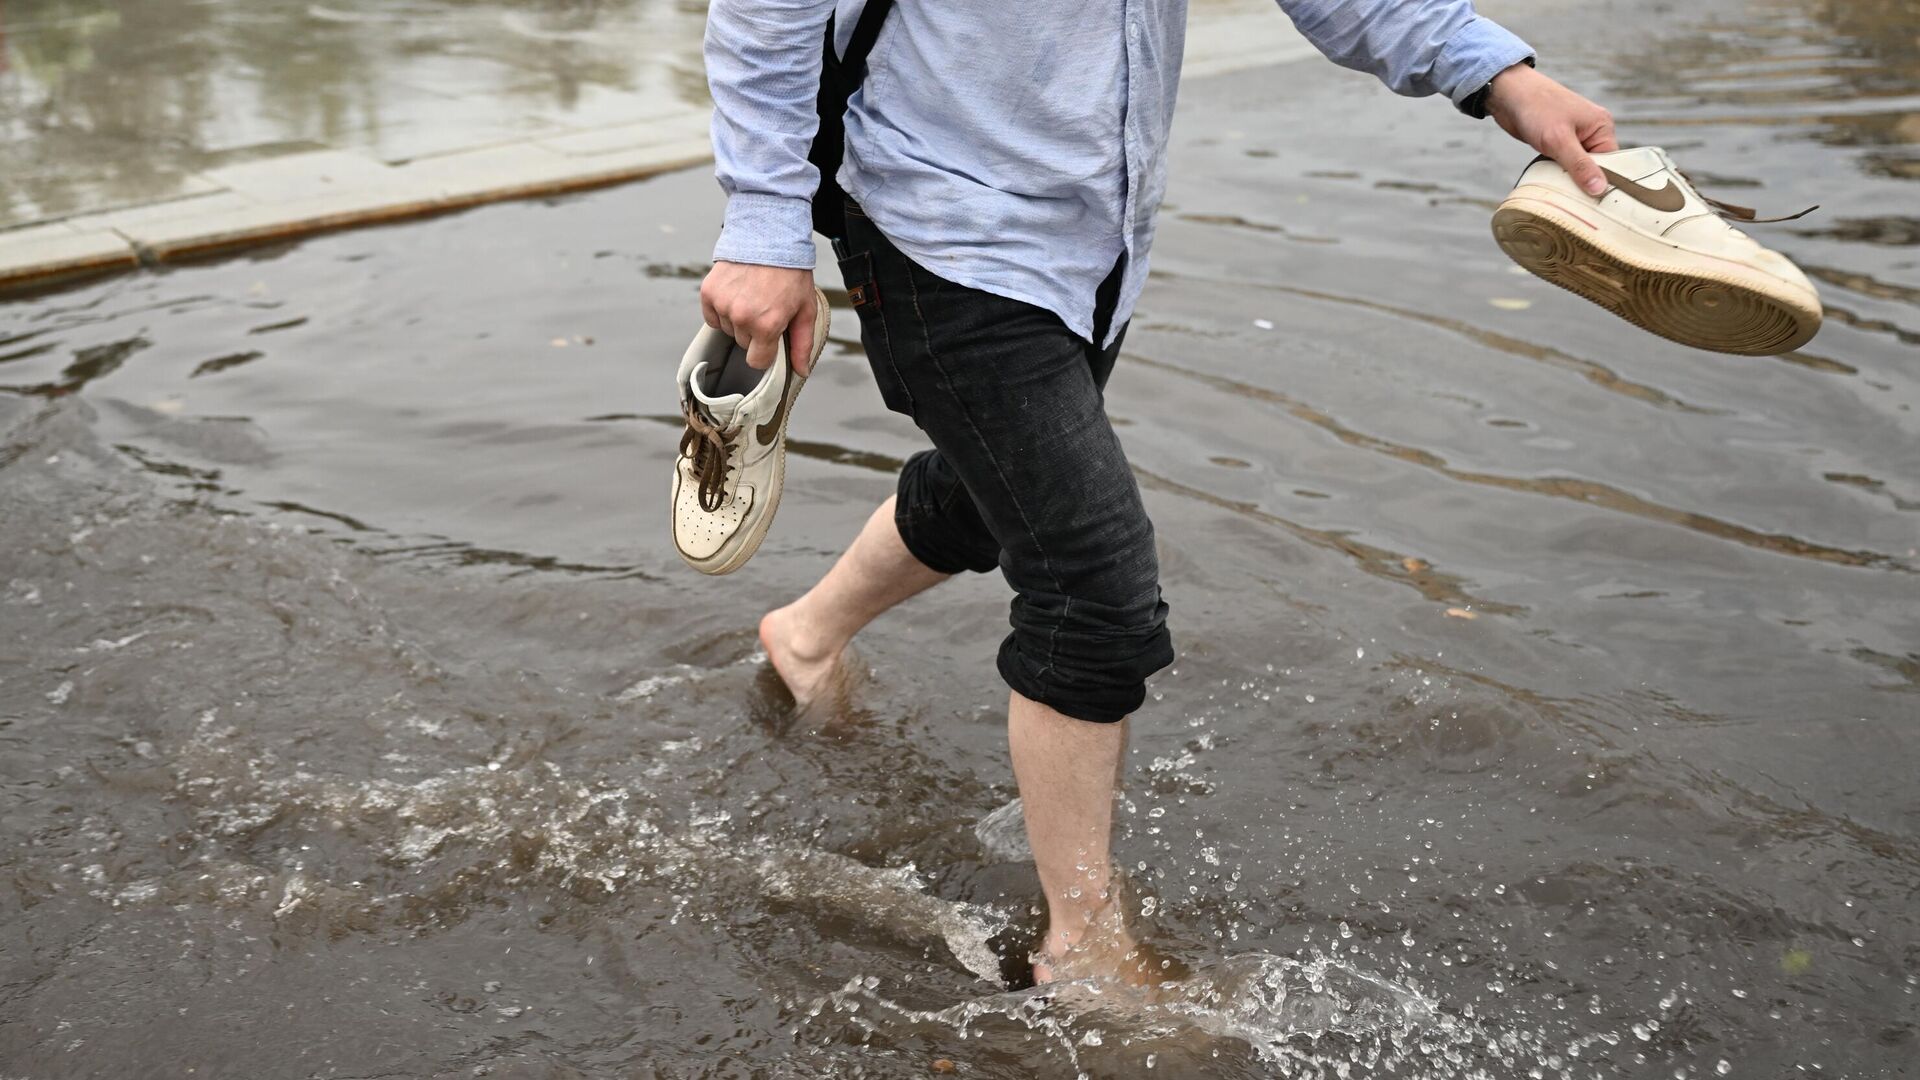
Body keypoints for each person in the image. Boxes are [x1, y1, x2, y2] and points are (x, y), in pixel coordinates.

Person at [698, 0, 1615, 986]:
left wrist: (1501, 77)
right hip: (939, 231)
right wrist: (763, 225)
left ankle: (805, 635)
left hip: (1095, 239)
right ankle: (1083, 952)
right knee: (1092, 586)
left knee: (990, 487)